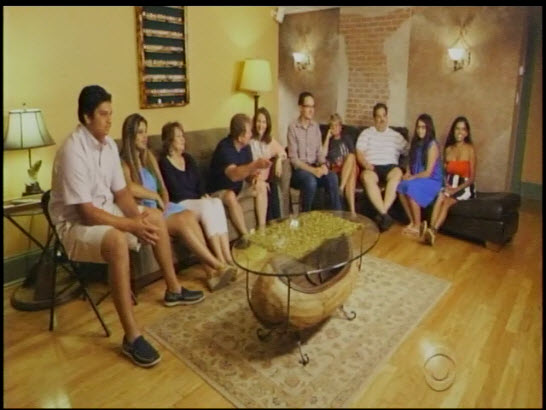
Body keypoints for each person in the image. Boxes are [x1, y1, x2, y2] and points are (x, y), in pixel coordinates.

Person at [49, 85, 204, 368]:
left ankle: (173, 289)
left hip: (104, 210)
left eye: (111, 113)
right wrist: (131, 225)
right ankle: (132, 337)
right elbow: (86, 212)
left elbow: (121, 194)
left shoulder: (108, 145)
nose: (110, 120)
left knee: (154, 216)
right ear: (86, 117)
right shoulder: (72, 151)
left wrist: (140, 220)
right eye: (103, 114)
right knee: (117, 241)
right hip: (74, 225)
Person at [119, 114, 234, 292]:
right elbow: (128, 188)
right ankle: (218, 265)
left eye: (145, 131)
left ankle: (211, 274)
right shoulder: (124, 164)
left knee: (188, 215)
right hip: (146, 213)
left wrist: (163, 201)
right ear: (130, 136)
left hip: (163, 208)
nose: (145, 136)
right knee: (181, 221)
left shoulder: (148, 157)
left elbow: (163, 189)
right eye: (140, 132)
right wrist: (153, 196)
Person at [157, 120, 235, 269]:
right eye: (178, 136)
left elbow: (199, 182)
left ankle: (228, 257)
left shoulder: (188, 159)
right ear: (169, 141)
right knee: (206, 207)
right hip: (180, 203)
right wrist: (200, 199)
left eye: (183, 135)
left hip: (196, 200)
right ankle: (220, 259)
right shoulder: (164, 163)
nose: (183, 139)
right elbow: (175, 190)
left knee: (216, 202)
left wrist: (203, 194)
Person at [208, 113, 271, 236]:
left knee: (261, 185)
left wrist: (254, 177)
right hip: (219, 192)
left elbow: (247, 173)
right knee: (230, 196)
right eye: (249, 132)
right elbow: (233, 175)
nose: (251, 134)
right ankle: (245, 236)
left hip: (239, 188)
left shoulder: (246, 147)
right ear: (240, 137)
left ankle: (262, 230)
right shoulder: (224, 148)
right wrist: (255, 165)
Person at [355, 103, 409, 231]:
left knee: (397, 174)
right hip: (372, 167)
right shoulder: (366, 133)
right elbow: (359, 152)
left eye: (384, 116)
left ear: (387, 117)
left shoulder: (396, 136)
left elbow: (409, 151)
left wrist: (408, 169)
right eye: (378, 116)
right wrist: (366, 165)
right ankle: (385, 215)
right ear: (374, 118)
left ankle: (383, 214)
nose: (382, 119)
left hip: (390, 167)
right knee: (367, 178)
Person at [424, 116, 476, 245]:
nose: (460, 132)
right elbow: (444, 172)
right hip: (450, 184)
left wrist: (456, 189)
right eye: (457, 128)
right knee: (440, 197)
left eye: (463, 129)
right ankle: (429, 231)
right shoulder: (448, 149)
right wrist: (446, 185)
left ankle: (433, 231)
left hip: (464, 186)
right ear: (453, 131)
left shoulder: (470, 149)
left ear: (467, 133)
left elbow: (472, 178)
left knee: (446, 202)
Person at [287, 91, 342, 212]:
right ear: (300, 108)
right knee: (310, 181)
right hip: (300, 172)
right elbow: (294, 160)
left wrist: (323, 165)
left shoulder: (315, 127)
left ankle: (337, 216)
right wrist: (313, 170)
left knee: (332, 177)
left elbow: (319, 154)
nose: (311, 110)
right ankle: (305, 216)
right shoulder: (293, 128)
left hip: (315, 168)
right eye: (308, 106)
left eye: (313, 106)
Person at [396, 113, 443, 237]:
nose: (420, 130)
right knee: (401, 187)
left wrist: (412, 178)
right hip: (418, 178)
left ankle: (417, 226)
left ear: (429, 128)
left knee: (411, 187)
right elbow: (410, 162)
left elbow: (428, 172)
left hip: (432, 180)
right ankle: (412, 221)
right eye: (418, 127)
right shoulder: (416, 143)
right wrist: (407, 173)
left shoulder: (432, 145)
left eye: (423, 127)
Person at [249, 107, 287, 220]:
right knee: (268, 188)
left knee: (274, 187)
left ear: (267, 124)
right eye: (258, 121)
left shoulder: (270, 141)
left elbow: (283, 153)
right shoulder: (249, 140)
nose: (261, 125)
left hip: (265, 181)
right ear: (254, 122)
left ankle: (277, 224)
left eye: (264, 122)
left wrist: (279, 160)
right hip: (252, 179)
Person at [321, 113, 358, 214]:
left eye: (337, 125)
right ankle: (353, 212)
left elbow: (353, 155)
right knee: (351, 174)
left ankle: (341, 188)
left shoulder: (346, 138)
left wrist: (344, 161)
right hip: (336, 169)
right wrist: (327, 138)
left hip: (348, 165)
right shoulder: (329, 141)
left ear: (341, 127)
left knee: (351, 158)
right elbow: (323, 156)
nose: (335, 128)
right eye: (332, 126)